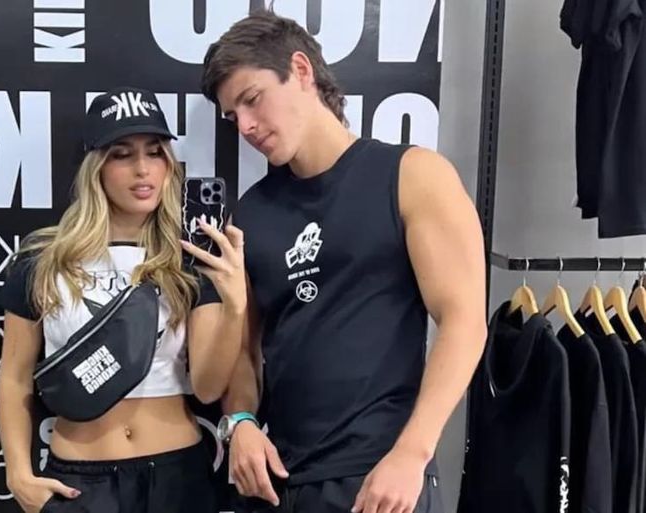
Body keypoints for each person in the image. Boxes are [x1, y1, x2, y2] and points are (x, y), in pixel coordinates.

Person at [201, 10, 488, 513]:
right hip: (279, 480)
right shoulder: (252, 211)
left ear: (301, 70)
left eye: (252, 99)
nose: (244, 126)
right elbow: (245, 346)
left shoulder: (412, 176)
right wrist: (241, 421)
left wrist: (412, 453)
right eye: (232, 116)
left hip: (379, 478)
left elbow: (464, 322)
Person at [0, 86, 245, 513]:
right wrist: (17, 472)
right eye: (122, 154)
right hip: (80, 483)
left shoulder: (190, 258)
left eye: (155, 153)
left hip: (178, 477)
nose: (142, 170)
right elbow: (15, 377)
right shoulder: (43, 259)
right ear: (96, 165)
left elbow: (207, 388)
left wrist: (235, 307)